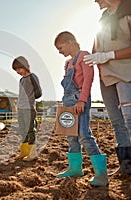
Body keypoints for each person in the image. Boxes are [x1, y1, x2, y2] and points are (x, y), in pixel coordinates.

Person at [54, 31, 108, 186]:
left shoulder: (84, 56)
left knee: (84, 134)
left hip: (79, 100)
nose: (59, 51)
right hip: (67, 100)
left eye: (60, 47)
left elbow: (88, 80)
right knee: (71, 135)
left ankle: (101, 175)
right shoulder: (67, 63)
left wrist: (82, 101)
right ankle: (75, 168)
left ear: (69, 42)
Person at [84, 0, 131, 176]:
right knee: (117, 121)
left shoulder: (128, 12)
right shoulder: (103, 19)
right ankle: (126, 165)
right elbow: (95, 48)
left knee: (129, 119)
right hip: (106, 77)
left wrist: (110, 55)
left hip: (126, 73)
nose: (95, 1)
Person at [12, 56, 41, 161]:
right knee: (22, 130)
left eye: (19, 69)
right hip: (21, 108)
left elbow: (39, 93)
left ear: (24, 66)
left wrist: (29, 99)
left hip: (29, 108)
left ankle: (32, 153)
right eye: (16, 70)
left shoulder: (32, 77)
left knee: (30, 131)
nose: (18, 72)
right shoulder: (21, 80)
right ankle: (24, 151)